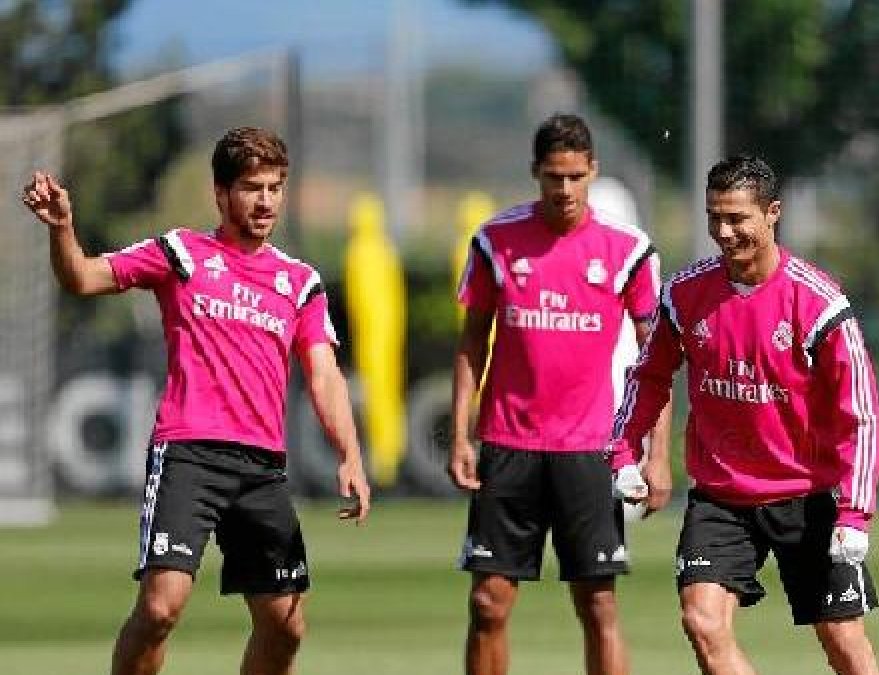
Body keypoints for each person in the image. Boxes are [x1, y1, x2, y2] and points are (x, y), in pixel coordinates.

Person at [20, 126, 372, 675]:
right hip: (189, 455)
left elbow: (324, 374)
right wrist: (63, 228)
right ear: (221, 191)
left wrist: (349, 453)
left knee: (285, 626)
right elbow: (84, 279)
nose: (265, 201)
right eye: (253, 187)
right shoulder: (181, 253)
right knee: (161, 607)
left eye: (275, 188)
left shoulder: (300, 282)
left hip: (261, 469)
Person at [611, 154, 879, 675]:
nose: (724, 231)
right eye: (714, 217)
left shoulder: (819, 302)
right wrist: (624, 450)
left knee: (845, 645)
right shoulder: (685, 295)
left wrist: (854, 514)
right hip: (721, 497)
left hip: (806, 495)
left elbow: (862, 414)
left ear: (772, 213)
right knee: (703, 622)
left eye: (737, 218)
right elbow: (647, 375)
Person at [448, 113, 668, 675]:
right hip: (509, 444)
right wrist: (459, 436)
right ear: (535, 174)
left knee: (597, 603)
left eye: (574, 176)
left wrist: (657, 454)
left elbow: (656, 361)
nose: (564, 189)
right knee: (488, 603)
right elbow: (472, 344)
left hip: (591, 449)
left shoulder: (628, 251)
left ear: (592, 171)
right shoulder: (496, 241)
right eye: (552, 177)